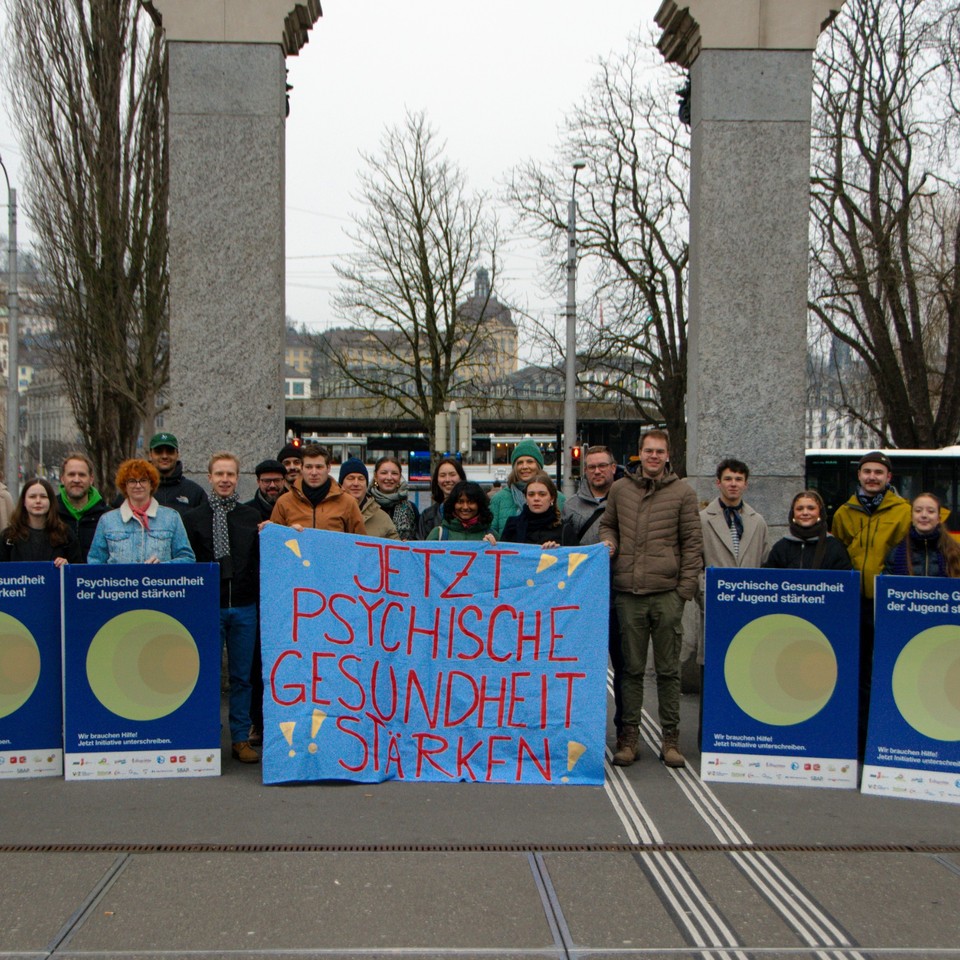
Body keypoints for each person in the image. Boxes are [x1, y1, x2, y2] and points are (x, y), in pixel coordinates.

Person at [599, 429, 703, 768]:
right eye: (648, 451)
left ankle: (670, 739)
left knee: (669, 671)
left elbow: (692, 545)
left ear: (667, 455)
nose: (654, 456)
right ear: (639, 453)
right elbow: (607, 525)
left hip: (667, 594)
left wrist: (683, 592)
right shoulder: (620, 489)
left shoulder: (683, 493)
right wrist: (610, 543)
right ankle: (628, 739)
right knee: (630, 669)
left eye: (660, 451)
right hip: (629, 593)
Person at [183, 453, 262, 764]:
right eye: (220, 474)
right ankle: (208, 734)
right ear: (210, 477)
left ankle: (240, 738)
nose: (225, 479)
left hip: (244, 607)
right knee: (208, 675)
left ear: (237, 477)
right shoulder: (193, 518)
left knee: (242, 677)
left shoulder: (251, 517)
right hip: (209, 608)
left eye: (231, 474)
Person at [830, 450, 911, 755]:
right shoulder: (843, 513)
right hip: (853, 605)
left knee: (884, 672)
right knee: (855, 671)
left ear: (888, 478)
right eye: (867, 472)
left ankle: (884, 737)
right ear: (859, 476)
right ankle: (858, 740)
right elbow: (837, 555)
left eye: (879, 472)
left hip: (886, 606)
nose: (872, 477)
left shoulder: (903, 512)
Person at [562, 445, 625, 738]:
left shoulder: (627, 500)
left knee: (624, 668)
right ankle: (581, 731)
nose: (597, 471)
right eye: (591, 467)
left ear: (613, 467)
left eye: (602, 465)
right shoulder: (572, 506)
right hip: (584, 601)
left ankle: (625, 729)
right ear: (584, 471)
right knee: (582, 669)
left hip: (620, 596)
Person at [87, 459, 195, 564]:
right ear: (125, 486)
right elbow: (95, 561)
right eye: (132, 481)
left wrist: (163, 567)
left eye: (143, 480)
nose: (138, 485)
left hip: (158, 581)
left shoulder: (171, 517)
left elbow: (187, 558)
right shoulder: (107, 520)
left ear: (151, 484)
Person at [269, 443, 365, 534]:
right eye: (309, 467)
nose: (314, 473)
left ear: (328, 468)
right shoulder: (284, 503)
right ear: (302, 468)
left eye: (319, 467)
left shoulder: (348, 503)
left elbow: (361, 544)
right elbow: (274, 542)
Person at [490, 440, 565, 538]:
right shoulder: (499, 499)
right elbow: (491, 529)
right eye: (520, 462)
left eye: (530, 461)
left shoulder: (559, 498)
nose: (524, 466)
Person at [0, 477, 82, 565]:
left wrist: (67, 566)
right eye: (32, 497)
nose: (38, 501)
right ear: (24, 502)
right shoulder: (9, 537)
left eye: (43, 497)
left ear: (50, 501)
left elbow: (78, 572)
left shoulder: (66, 535)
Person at [764, 490, 852, 570]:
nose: (805, 513)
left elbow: (844, 582)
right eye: (799, 509)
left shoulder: (834, 547)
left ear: (820, 513)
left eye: (811, 508)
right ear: (793, 514)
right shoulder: (781, 547)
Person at [883, 493, 960, 578]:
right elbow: (887, 587)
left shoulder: (957, 552)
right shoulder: (895, 554)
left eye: (930, 511)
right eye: (918, 511)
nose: (924, 515)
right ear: (911, 517)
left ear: (939, 518)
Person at [57, 452, 109, 561]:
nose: (76, 480)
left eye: (82, 475)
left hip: (96, 577)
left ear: (91, 479)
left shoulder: (106, 516)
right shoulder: (50, 513)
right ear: (62, 479)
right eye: (71, 474)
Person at [501, 472, 573, 546]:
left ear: (552, 498)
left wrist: (557, 552)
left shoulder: (564, 529)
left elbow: (575, 556)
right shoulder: (512, 525)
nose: (536, 499)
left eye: (542, 494)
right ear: (525, 498)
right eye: (531, 494)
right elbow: (502, 553)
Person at [147, 432, 207, 514]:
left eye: (170, 451)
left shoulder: (194, 492)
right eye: (159, 452)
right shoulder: (138, 489)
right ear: (150, 455)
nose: (164, 456)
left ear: (177, 454)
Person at [338, 458, 399, 539]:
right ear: (341, 484)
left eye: (361, 479)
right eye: (351, 478)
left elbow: (395, 549)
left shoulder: (383, 518)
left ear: (366, 485)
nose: (356, 483)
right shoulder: (331, 513)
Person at [426, 480, 497, 543]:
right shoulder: (438, 534)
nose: (465, 507)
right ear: (453, 504)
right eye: (460, 502)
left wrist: (493, 547)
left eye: (471, 502)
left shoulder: (493, 535)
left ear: (479, 505)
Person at [369, 456, 418, 540]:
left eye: (394, 473)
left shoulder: (411, 509)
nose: (389, 477)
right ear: (376, 476)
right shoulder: (366, 506)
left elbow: (420, 540)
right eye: (384, 473)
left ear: (399, 478)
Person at [417, 458, 467, 539]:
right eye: (442, 475)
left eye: (452, 474)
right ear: (437, 480)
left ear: (461, 478)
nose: (447, 480)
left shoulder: (472, 511)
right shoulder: (428, 516)